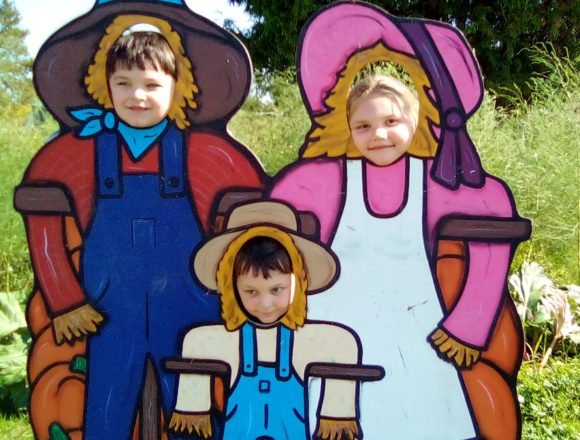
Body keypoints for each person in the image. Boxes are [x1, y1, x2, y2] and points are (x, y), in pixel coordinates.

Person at [270, 3, 529, 438]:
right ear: (344, 128)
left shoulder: (437, 181)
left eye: (392, 121)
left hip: (418, 336)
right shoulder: (324, 178)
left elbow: (496, 212)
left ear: (417, 121)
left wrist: (471, 318)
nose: (379, 135)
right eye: (364, 125)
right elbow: (268, 218)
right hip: (339, 331)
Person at [16, 5, 264, 439]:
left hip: (190, 310)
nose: (138, 96)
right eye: (124, 84)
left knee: (196, 409)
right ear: (104, 86)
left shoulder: (208, 154)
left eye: (152, 85)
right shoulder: (77, 152)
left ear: (177, 86)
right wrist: (63, 299)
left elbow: (249, 221)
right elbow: (42, 217)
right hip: (108, 312)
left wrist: (237, 294)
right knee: (106, 412)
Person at [168, 201, 384, 440]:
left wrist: (337, 412)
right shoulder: (221, 341)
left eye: (277, 289)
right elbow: (196, 342)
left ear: (298, 283)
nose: (265, 304)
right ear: (231, 288)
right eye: (251, 291)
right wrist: (192, 404)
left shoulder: (309, 341)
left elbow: (343, 342)